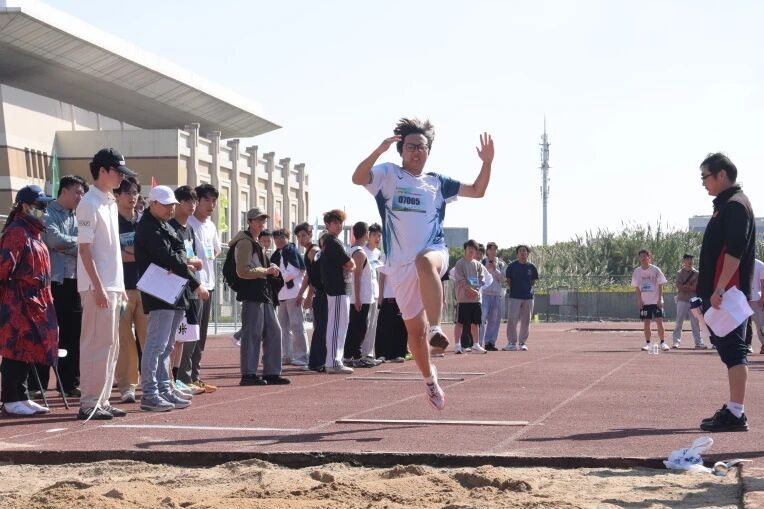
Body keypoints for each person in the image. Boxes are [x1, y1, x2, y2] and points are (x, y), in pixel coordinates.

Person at [351, 117, 494, 410]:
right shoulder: (388, 175)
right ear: (401, 150)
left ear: (429, 151)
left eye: (422, 146)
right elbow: (357, 177)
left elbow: (478, 190)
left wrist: (487, 163)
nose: (417, 151)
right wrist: (378, 150)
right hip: (399, 267)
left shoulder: (437, 182)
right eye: (411, 146)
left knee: (424, 261)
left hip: (434, 251)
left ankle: (436, 329)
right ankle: (430, 380)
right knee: (414, 337)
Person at [134, 186, 208, 412]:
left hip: (174, 291)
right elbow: (170, 257)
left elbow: (179, 252)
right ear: (153, 203)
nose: (171, 209)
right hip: (160, 292)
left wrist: (182, 261)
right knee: (156, 345)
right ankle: (150, 393)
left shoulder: (164, 225)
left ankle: (163, 388)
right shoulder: (148, 227)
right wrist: (193, 277)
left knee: (166, 345)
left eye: (172, 205)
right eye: (167, 205)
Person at [697, 153, 755, 432]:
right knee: (730, 351)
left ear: (721, 175)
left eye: (705, 176)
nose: (703, 183)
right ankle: (734, 409)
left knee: (734, 352)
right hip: (724, 293)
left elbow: (734, 250)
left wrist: (720, 287)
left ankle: (736, 412)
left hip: (728, 295)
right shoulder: (727, 205)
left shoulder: (735, 205)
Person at [76, 148, 134, 420]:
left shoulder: (109, 201)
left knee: (112, 345)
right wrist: (98, 286)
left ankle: (103, 399)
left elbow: (111, 251)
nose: (121, 177)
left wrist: (119, 286)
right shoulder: (89, 202)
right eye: (117, 171)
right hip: (97, 287)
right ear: (102, 171)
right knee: (96, 344)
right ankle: (89, 402)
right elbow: (84, 249)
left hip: (112, 286)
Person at [0, 185, 57, 416]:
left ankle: (22, 396)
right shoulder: (17, 232)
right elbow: (3, 268)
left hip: (35, 300)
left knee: (26, 349)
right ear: (25, 206)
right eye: (40, 205)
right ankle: (10, 399)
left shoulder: (33, 232)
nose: (45, 210)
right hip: (18, 300)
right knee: (14, 349)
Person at [37, 175, 88, 398]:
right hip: (53, 283)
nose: (80, 197)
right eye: (77, 192)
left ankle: (68, 383)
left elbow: (85, 244)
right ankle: (38, 384)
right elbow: (54, 240)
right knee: (46, 333)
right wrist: (79, 244)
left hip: (74, 281)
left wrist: (72, 245)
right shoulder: (48, 213)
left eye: (82, 193)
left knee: (72, 334)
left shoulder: (79, 216)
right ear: (64, 191)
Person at [230, 208, 289, 386]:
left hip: (263, 293)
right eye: (257, 220)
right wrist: (266, 270)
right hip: (252, 293)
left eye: (263, 220)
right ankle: (248, 374)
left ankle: (271, 372)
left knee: (274, 331)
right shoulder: (245, 242)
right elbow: (242, 271)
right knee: (252, 333)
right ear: (249, 221)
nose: (261, 223)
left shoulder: (255, 242)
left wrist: (269, 269)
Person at [179, 184, 220, 394]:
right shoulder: (189, 224)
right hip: (193, 285)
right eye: (206, 200)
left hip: (208, 285)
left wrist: (206, 256)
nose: (211, 205)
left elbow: (216, 250)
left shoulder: (211, 226)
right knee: (189, 335)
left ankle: (195, 376)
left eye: (214, 201)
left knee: (201, 335)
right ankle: (183, 378)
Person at [113, 176, 149, 403]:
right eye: (127, 193)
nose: (132, 197)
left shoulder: (144, 221)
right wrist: (134, 254)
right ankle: (127, 386)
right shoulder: (111, 220)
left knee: (150, 339)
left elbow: (148, 252)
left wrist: (130, 253)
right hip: (121, 289)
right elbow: (113, 254)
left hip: (145, 288)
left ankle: (156, 382)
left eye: (135, 192)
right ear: (117, 196)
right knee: (124, 341)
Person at [168, 186, 205, 396]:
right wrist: (191, 263)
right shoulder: (170, 227)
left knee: (183, 338)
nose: (192, 205)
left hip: (189, 289)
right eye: (187, 201)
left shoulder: (189, 229)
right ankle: (169, 381)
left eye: (194, 201)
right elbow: (176, 259)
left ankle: (177, 379)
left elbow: (190, 255)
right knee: (172, 339)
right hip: (174, 289)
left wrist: (194, 263)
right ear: (178, 203)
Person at [320, 209, 355, 374]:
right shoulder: (332, 242)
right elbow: (350, 264)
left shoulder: (333, 242)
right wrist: (350, 264)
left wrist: (350, 264)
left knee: (340, 325)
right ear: (327, 225)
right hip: (337, 288)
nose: (339, 225)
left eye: (340, 222)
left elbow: (349, 264)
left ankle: (335, 360)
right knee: (336, 326)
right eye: (335, 222)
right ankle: (333, 361)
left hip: (341, 288)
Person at [271, 228, 309, 369]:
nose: (279, 240)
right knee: (283, 327)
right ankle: (286, 355)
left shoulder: (292, 251)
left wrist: (278, 276)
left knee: (297, 325)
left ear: (287, 238)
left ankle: (302, 356)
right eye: (276, 238)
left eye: (282, 237)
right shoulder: (276, 255)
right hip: (281, 295)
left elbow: (294, 271)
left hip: (294, 293)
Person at [343, 222, 377, 367]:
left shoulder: (352, 250)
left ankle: (350, 355)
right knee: (360, 327)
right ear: (366, 234)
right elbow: (357, 277)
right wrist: (357, 298)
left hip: (358, 296)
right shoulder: (359, 253)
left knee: (355, 326)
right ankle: (355, 356)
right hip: (360, 297)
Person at [295, 224, 327, 372]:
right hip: (319, 293)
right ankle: (316, 361)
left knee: (321, 328)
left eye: (304, 235)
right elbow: (308, 275)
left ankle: (317, 361)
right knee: (319, 327)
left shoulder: (314, 251)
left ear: (310, 235)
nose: (301, 239)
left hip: (323, 293)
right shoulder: (308, 252)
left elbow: (316, 276)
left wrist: (308, 296)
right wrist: (300, 293)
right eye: (298, 236)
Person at [452, 240, 486, 354]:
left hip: (475, 299)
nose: (471, 250)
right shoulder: (459, 263)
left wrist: (475, 291)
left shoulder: (478, 264)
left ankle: (476, 345)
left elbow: (482, 279)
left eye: (473, 248)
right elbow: (460, 279)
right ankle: (457, 345)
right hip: (463, 299)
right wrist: (470, 290)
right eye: (469, 248)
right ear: (465, 249)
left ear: (476, 251)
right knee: (460, 322)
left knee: (475, 323)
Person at [631, 249, 669, 352]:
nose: (643, 258)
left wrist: (660, 299)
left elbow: (660, 284)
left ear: (649, 258)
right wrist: (639, 300)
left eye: (645, 256)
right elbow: (636, 287)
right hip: (645, 302)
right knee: (646, 322)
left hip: (656, 301)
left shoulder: (655, 270)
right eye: (641, 256)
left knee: (659, 321)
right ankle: (648, 343)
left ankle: (662, 343)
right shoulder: (637, 271)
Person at [505, 245, 539, 351]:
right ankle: (511, 342)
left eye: (524, 251)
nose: (523, 253)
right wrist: (516, 289)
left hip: (528, 297)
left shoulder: (532, 267)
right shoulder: (512, 266)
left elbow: (533, 281)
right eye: (520, 251)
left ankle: (522, 343)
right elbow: (509, 280)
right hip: (515, 296)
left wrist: (527, 289)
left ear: (528, 254)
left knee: (526, 320)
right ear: (517, 254)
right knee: (512, 319)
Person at [359, 223, 383, 362]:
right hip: (363, 294)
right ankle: (359, 352)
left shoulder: (378, 253)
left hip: (375, 293)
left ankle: (368, 353)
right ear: (368, 235)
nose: (377, 238)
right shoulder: (362, 251)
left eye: (379, 235)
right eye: (374, 235)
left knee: (373, 324)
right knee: (363, 324)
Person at [671, 254, 705, 349]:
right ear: (684, 261)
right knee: (679, 322)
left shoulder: (697, 273)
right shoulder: (679, 273)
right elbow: (679, 287)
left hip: (694, 301)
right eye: (688, 260)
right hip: (682, 300)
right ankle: (676, 342)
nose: (690, 261)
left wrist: (686, 287)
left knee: (695, 323)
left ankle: (698, 342)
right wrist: (690, 287)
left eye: (691, 259)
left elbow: (696, 288)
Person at [481, 242, 506, 351]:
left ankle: (490, 342)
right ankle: (478, 342)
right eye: (490, 249)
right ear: (487, 251)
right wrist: (486, 268)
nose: (492, 251)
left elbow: (503, 279)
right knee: (481, 319)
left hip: (496, 295)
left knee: (494, 320)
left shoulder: (501, 264)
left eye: (494, 249)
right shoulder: (482, 262)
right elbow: (478, 277)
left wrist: (495, 270)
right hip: (484, 294)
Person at [747, 258, 764, 355]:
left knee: (761, 324)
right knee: (744, 325)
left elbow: (763, 283)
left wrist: (763, 298)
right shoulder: (741, 262)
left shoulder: (760, 265)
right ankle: (746, 345)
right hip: (744, 299)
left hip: (757, 300)